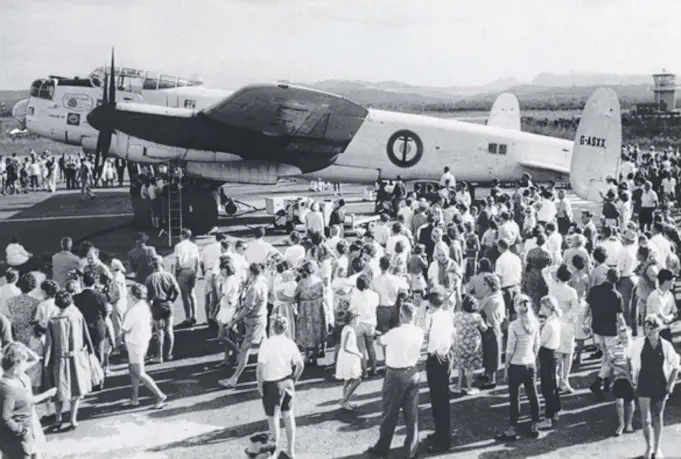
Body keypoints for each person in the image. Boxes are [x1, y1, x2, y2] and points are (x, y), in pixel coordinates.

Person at [366, 302, 423, 459]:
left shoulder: (394, 332)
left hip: (395, 374)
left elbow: (379, 342)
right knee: (412, 414)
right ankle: (411, 449)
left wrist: (379, 334)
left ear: (401, 315)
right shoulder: (419, 331)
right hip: (413, 371)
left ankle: (382, 447)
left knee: (390, 412)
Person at [629, 315, 680, 459]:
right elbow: (628, 357)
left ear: (658, 329)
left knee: (657, 416)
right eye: (646, 327)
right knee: (645, 419)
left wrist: (670, 385)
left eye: (652, 328)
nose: (648, 331)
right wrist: (630, 377)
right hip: (643, 383)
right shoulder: (638, 344)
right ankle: (648, 447)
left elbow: (676, 366)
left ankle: (657, 449)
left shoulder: (666, 345)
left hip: (660, 384)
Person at [43, 289, 94, 431]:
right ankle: (73, 418)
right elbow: (86, 336)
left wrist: (46, 363)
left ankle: (58, 417)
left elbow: (49, 345)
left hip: (59, 359)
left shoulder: (53, 321)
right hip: (76, 358)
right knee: (76, 390)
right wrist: (90, 352)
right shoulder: (77, 316)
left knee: (58, 390)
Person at [256, 316, 304, 459]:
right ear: (286, 329)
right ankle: (290, 451)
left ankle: (272, 454)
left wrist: (259, 385)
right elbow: (300, 365)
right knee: (289, 417)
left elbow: (260, 369)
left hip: (272, 384)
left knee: (274, 419)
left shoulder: (267, 343)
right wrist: (293, 380)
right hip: (287, 382)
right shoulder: (290, 343)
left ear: (272, 328)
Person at [0, 342, 57, 459]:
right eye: (23, 363)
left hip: (22, 436)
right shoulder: (8, 389)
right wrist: (23, 431)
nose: (25, 367)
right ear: (16, 364)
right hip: (18, 440)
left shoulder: (12, 381)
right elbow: (5, 418)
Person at [496, 294, 541, 441]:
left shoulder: (514, 325)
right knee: (533, 395)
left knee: (515, 398)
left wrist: (506, 366)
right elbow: (537, 344)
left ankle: (512, 429)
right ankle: (535, 424)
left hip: (516, 364)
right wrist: (533, 357)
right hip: (530, 363)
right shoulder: (535, 323)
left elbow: (510, 349)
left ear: (516, 306)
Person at [219, 263, 269, 389]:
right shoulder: (262, 284)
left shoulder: (254, 288)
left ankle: (234, 378)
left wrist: (234, 321)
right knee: (265, 347)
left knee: (245, 350)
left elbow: (248, 308)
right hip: (260, 318)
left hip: (254, 321)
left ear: (251, 273)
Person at [121, 284, 167, 409]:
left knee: (139, 372)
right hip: (140, 342)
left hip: (135, 344)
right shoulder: (144, 307)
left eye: (130, 294)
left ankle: (160, 395)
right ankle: (134, 398)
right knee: (133, 369)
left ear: (134, 296)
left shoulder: (133, 311)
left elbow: (124, 329)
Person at [586, 268, 626, 398]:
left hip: (597, 328)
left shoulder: (594, 290)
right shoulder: (617, 295)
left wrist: (584, 323)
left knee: (605, 356)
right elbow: (619, 317)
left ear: (606, 276)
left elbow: (586, 308)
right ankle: (598, 382)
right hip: (610, 330)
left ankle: (606, 383)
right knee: (612, 359)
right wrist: (624, 328)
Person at [424, 287, 454, 454]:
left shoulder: (435, 317)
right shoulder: (446, 315)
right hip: (442, 356)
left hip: (437, 358)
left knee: (440, 399)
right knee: (438, 399)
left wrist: (439, 351)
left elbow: (432, 333)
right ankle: (440, 432)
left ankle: (443, 440)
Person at [145, 255, 180, 364]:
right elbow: (177, 291)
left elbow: (147, 296)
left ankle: (159, 356)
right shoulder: (169, 276)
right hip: (168, 304)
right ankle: (168, 354)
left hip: (156, 305)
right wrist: (171, 300)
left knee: (159, 331)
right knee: (169, 329)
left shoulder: (150, 278)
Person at [451, 294, 487, 396]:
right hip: (473, 344)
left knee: (461, 366)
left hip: (461, 342)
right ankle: (469, 388)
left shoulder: (458, 315)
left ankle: (458, 386)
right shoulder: (477, 317)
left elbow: (453, 325)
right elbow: (484, 328)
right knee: (470, 367)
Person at [536, 296, 562, 430]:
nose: (540, 310)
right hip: (553, 354)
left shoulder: (549, 325)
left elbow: (541, 342)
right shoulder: (554, 321)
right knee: (552, 386)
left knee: (547, 387)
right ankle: (555, 410)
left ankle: (548, 418)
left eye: (542, 307)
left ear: (547, 308)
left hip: (547, 355)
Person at [608, 326, 635, 437]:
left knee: (630, 402)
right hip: (619, 378)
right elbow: (610, 363)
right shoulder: (615, 348)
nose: (624, 340)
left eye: (626, 338)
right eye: (622, 337)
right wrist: (620, 370)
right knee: (619, 402)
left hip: (631, 379)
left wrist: (630, 373)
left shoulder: (634, 348)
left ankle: (629, 423)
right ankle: (621, 424)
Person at [335, 310, 363, 411]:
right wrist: (358, 354)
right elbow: (346, 347)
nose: (357, 320)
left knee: (347, 380)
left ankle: (345, 402)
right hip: (349, 357)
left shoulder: (346, 328)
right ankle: (344, 399)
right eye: (356, 318)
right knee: (357, 380)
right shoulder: (350, 330)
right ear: (352, 320)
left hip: (345, 356)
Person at [174, 228, 200, 326]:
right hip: (192, 270)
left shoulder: (178, 246)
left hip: (183, 271)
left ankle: (188, 317)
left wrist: (177, 272)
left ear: (182, 235)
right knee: (192, 293)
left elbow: (178, 262)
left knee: (184, 295)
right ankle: (195, 315)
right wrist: (196, 272)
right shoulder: (194, 246)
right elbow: (197, 261)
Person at [645, 269, 677, 343]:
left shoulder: (670, 295)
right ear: (666, 281)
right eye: (673, 280)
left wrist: (671, 317)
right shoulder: (655, 296)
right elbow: (660, 316)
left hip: (666, 329)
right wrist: (670, 318)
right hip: (654, 331)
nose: (674, 283)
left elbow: (674, 312)